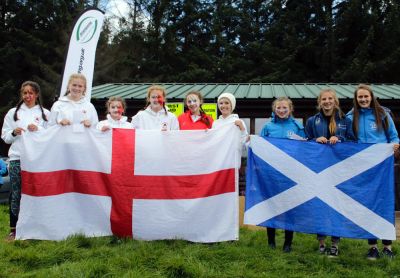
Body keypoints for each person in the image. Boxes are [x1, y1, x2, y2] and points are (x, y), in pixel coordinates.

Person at [347, 84, 399, 260]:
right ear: (356, 99)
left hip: (382, 166)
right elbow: (347, 140)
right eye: (360, 97)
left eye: (366, 97)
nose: (363, 100)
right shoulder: (349, 116)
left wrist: (395, 146)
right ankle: (373, 247)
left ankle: (387, 246)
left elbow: (393, 136)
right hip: (362, 167)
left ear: (372, 97)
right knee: (367, 205)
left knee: (384, 202)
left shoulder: (383, 114)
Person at [305, 88, 355, 257]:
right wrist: (314, 140)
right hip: (318, 171)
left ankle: (334, 243)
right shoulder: (312, 121)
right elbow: (305, 145)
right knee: (320, 206)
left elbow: (354, 142)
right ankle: (321, 243)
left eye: (330, 99)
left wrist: (340, 140)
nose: (327, 102)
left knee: (336, 206)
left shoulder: (346, 121)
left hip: (338, 171)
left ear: (335, 101)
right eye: (324, 99)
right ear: (320, 102)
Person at [1, 81, 50, 240]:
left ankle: (37, 227)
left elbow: (51, 136)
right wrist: (14, 132)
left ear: (36, 94)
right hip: (17, 158)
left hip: (38, 160)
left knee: (37, 191)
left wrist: (39, 129)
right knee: (16, 193)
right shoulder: (13, 113)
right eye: (25, 93)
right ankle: (14, 229)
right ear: (21, 95)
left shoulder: (46, 114)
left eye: (31, 93)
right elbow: (5, 138)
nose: (28, 96)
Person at [259, 97, 305, 253]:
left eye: (285, 107)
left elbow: (304, 148)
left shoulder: (298, 126)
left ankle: (287, 243)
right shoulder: (267, 127)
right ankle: (271, 242)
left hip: (290, 175)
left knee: (289, 208)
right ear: (274, 109)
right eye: (278, 107)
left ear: (290, 109)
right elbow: (260, 148)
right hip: (271, 174)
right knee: (271, 207)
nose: (281, 110)